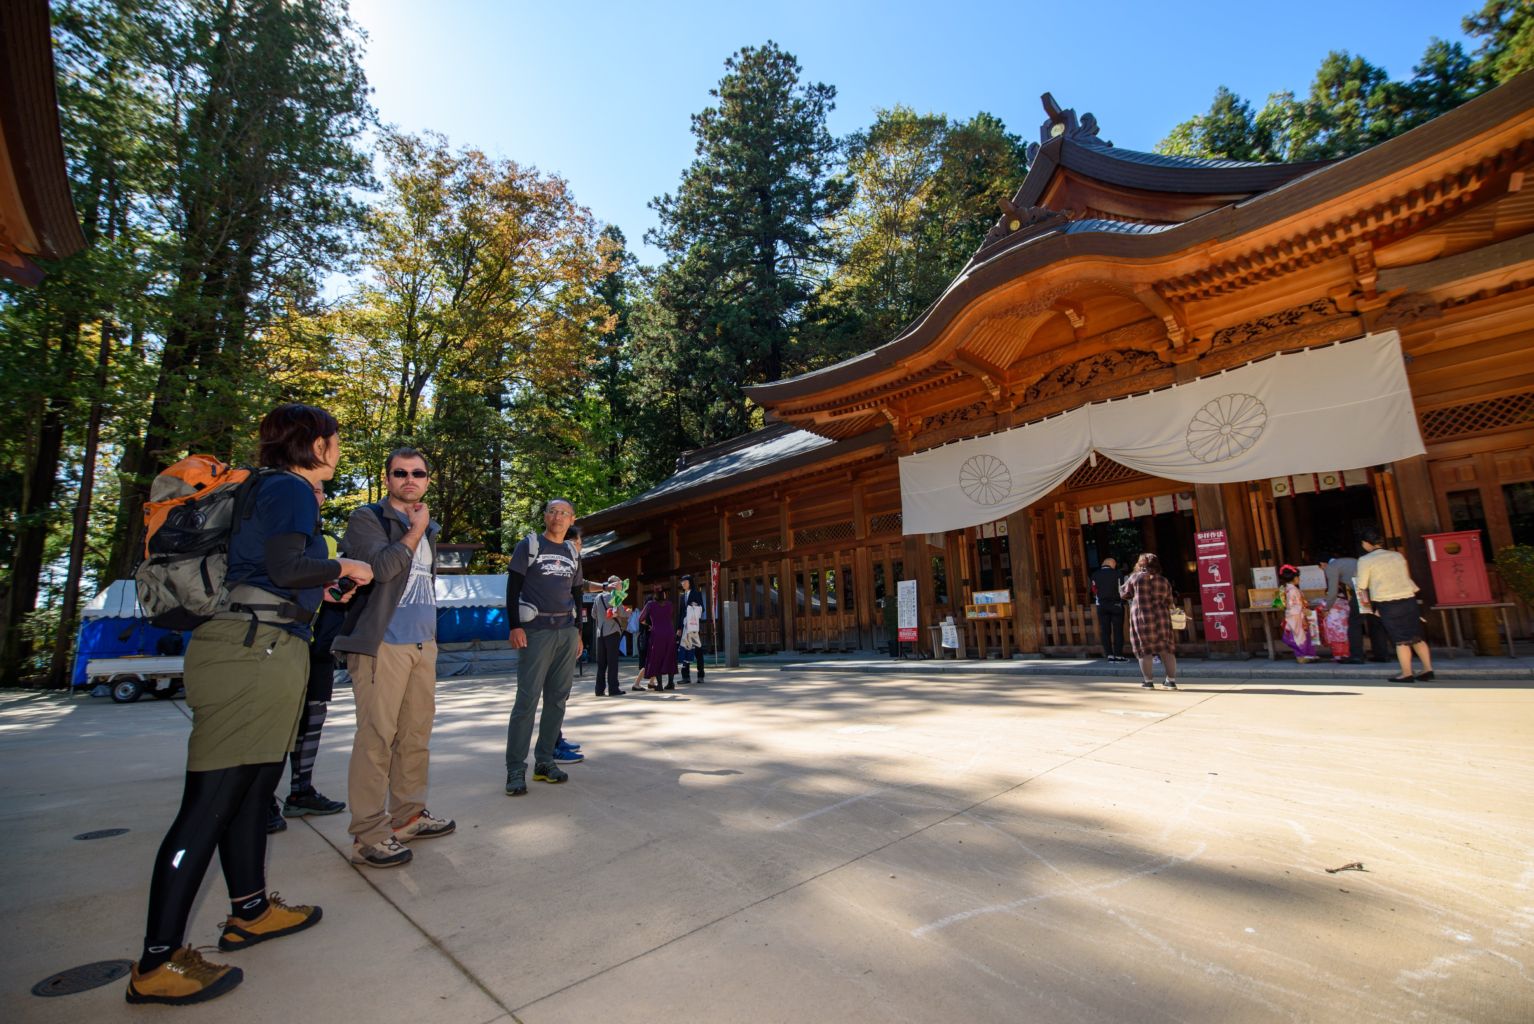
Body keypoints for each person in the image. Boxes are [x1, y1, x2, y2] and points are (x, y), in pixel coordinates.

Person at [126, 404, 373, 1005]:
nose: (338, 448)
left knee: (254, 791)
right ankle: (156, 961)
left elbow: (276, 570)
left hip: (265, 645)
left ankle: (251, 910)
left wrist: (325, 582)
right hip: (249, 652)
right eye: (334, 439)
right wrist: (343, 563)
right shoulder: (290, 489)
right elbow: (288, 566)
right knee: (210, 803)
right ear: (314, 444)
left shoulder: (271, 492)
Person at [332, 447, 454, 869]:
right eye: (400, 473)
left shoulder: (428, 528)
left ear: (427, 478)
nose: (409, 479)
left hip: (423, 643)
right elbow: (381, 569)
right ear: (387, 478)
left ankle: (408, 816)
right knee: (376, 740)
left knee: (415, 735)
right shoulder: (367, 519)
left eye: (417, 473)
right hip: (382, 643)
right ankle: (368, 833)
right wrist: (414, 531)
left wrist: (422, 529)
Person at [267, 481, 347, 834]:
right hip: (283, 643)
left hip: (319, 647)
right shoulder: (275, 535)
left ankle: (301, 790)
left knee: (313, 717)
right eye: (308, 489)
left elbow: (340, 585)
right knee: (276, 723)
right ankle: (263, 798)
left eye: (318, 491)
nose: (315, 496)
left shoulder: (329, 541)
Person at [504, 499, 586, 795]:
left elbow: (577, 592)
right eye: (553, 512)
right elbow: (512, 588)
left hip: (565, 630)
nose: (558, 517)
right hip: (535, 631)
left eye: (564, 513)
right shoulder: (529, 545)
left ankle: (545, 761)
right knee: (526, 701)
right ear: (545, 517)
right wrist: (514, 625)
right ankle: (515, 768)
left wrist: (578, 632)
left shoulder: (572, 552)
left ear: (571, 518)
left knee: (557, 699)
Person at [1356, 527, 1435, 683]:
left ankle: (1407, 673)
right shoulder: (1397, 555)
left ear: (1366, 543)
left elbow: (1362, 583)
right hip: (1408, 597)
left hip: (1387, 600)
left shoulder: (1365, 560)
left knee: (1400, 639)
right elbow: (1405, 575)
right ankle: (1427, 669)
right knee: (1416, 635)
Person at [1120, 552, 1179, 689]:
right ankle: (1171, 681)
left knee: (1144, 649)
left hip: (1142, 618)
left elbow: (1124, 594)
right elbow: (1170, 601)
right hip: (1162, 617)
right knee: (1166, 649)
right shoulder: (1164, 580)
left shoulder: (1135, 578)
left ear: (1141, 564)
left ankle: (1148, 681)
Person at [1323, 549, 1392, 664]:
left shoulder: (1331, 567)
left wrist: (1327, 607)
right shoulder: (1348, 561)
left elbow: (1333, 591)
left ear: (1322, 564)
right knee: (1375, 621)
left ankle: (1356, 656)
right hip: (1375, 590)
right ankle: (1382, 654)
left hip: (1362, 592)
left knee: (1355, 623)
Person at [591, 575, 626, 695]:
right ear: (614, 585)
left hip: (600, 633)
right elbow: (620, 612)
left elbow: (593, 615)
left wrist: (602, 620)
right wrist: (627, 613)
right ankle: (613, 688)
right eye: (619, 584)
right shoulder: (615, 596)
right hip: (612, 632)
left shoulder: (598, 597)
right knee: (612, 662)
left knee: (601, 663)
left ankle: (599, 689)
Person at [1278, 564, 1320, 662]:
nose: (1299, 579)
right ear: (1294, 578)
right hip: (1296, 615)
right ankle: (1302, 655)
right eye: (1297, 577)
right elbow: (1295, 605)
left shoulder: (1287, 589)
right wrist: (1304, 610)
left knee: (1299, 635)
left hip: (1293, 615)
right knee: (1300, 635)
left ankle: (1305, 655)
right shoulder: (1293, 590)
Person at [639, 586, 677, 690]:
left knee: (657, 657)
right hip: (670, 632)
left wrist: (649, 625)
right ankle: (670, 683)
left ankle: (659, 685)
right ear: (664, 594)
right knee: (670, 656)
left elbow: (640, 618)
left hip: (657, 633)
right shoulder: (669, 604)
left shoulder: (650, 604)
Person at [1090, 556, 1127, 661]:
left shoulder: (1095, 575)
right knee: (1118, 630)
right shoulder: (1118, 574)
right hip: (1116, 605)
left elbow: (1094, 590)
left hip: (1101, 605)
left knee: (1105, 630)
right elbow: (1122, 589)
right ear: (1112, 563)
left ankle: (1109, 654)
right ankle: (1118, 655)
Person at [677, 573, 706, 683]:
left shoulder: (696, 593)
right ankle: (685, 677)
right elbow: (681, 613)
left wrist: (695, 606)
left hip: (693, 627)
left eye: (685, 582)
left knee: (698, 651)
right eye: (682, 582)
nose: (683, 583)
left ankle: (701, 675)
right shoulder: (682, 596)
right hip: (684, 628)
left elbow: (702, 609)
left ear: (690, 583)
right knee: (685, 650)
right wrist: (678, 628)